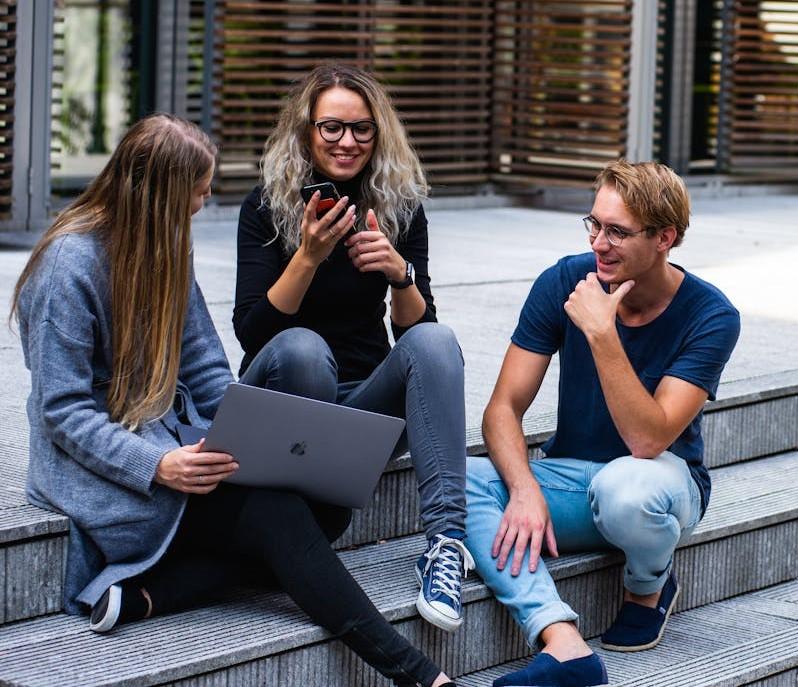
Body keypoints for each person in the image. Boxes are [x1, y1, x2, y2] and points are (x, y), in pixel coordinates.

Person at [12, 114, 456, 687]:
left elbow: (205, 369)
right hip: (108, 471)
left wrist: (241, 437)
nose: (201, 207)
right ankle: (418, 674)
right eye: (196, 195)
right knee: (280, 518)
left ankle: (157, 592)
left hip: (178, 447)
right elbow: (63, 411)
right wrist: (159, 465)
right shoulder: (67, 266)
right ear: (159, 194)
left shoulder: (166, 247)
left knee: (327, 510)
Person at [465, 161, 741, 686]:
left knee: (626, 488)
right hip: (571, 478)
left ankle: (648, 584)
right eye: (594, 224)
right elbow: (502, 407)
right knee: (460, 479)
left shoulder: (712, 315)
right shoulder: (565, 280)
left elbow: (648, 438)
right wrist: (524, 489)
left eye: (617, 231)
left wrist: (602, 334)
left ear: (665, 237)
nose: (599, 242)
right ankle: (561, 642)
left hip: (659, 482)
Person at [232, 64, 472, 633]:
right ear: (306, 131)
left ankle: (445, 546)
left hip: (361, 411)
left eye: (362, 129)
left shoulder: (399, 205)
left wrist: (400, 273)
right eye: (332, 127)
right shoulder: (266, 206)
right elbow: (252, 333)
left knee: (436, 341)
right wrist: (308, 256)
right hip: (285, 399)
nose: (347, 142)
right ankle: (300, 521)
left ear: (379, 133)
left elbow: (419, 335)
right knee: (303, 350)